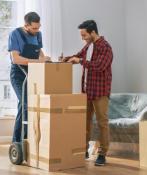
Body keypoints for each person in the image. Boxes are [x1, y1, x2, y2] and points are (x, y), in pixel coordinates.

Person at [60, 20, 113, 166]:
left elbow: (100, 66)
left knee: (102, 123)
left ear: (93, 32)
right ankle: (83, 150)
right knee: (85, 122)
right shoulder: (88, 46)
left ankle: (102, 154)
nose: (82, 38)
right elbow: (78, 56)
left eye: (84, 35)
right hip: (87, 91)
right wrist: (66, 59)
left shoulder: (105, 47)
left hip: (100, 92)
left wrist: (81, 60)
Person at [8, 12, 50, 143]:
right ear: (26, 25)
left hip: (32, 73)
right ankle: (19, 141)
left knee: (28, 104)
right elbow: (15, 59)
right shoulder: (15, 34)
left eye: (39, 27)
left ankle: (24, 140)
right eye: (34, 28)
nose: (37, 31)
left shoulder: (38, 34)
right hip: (18, 74)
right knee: (26, 103)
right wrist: (38, 61)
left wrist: (46, 59)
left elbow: (39, 52)